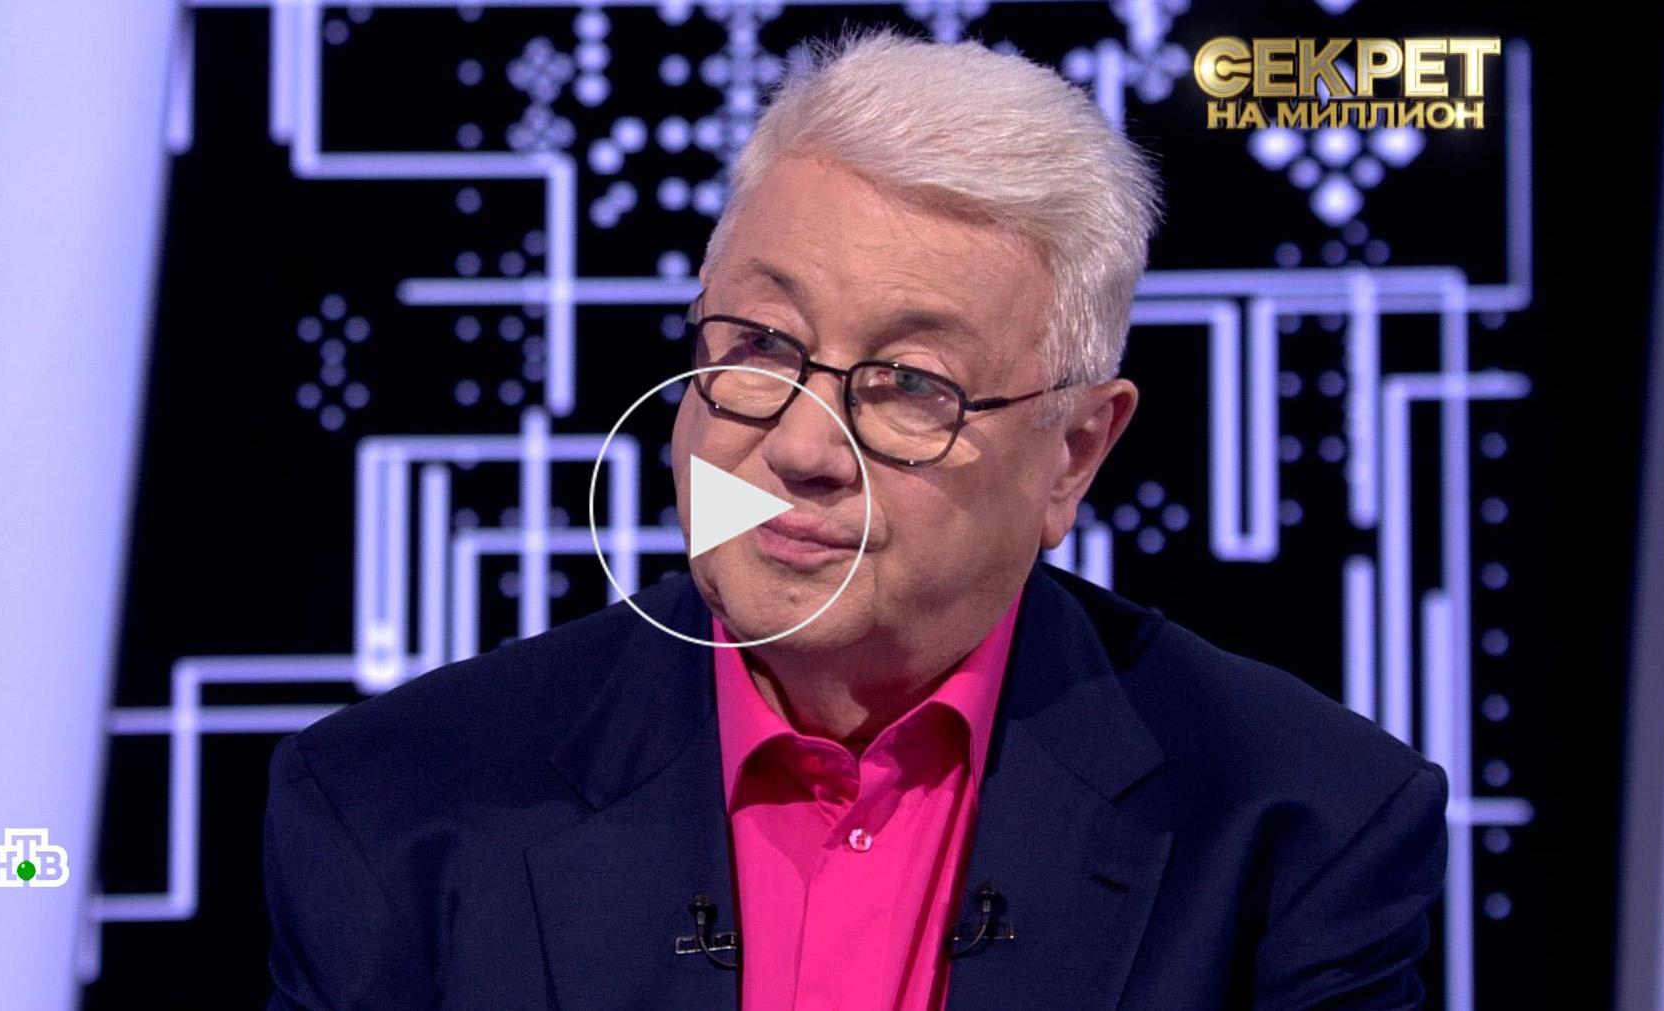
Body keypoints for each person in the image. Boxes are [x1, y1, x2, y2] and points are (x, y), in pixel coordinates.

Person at [262, 29, 1448, 1010]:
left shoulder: (1299, 830)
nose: (802, 449)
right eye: (759, 344)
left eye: (912, 384)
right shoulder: (392, 810)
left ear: (1073, 454)